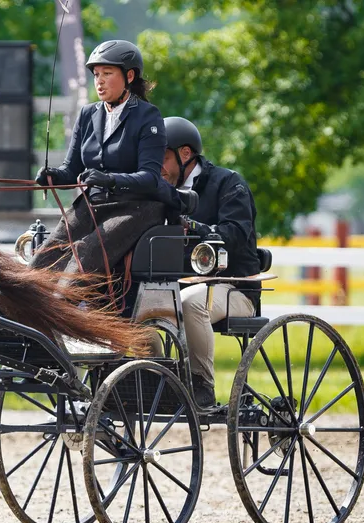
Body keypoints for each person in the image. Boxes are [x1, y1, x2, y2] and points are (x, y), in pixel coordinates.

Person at [30, 40, 184, 284]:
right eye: (96, 74)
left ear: (129, 76)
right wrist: (53, 176)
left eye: (107, 73)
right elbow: (71, 170)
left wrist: (110, 179)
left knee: (84, 257)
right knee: (42, 261)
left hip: (135, 208)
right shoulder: (87, 114)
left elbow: (151, 178)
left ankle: (67, 313)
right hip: (92, 205)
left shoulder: (148, 116)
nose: (99, 81)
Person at [161, 116, 260, 408]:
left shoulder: (229, 183)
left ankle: (201, 384)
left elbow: (237, 233)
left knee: (192, 302)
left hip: (235, 289)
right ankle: (160, 379)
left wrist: (193, 227)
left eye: (163, 157)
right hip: (181, 288)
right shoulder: (162, 190)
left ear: (185, 154)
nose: (158, 166)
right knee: (140, 307)